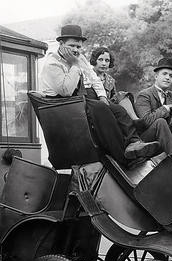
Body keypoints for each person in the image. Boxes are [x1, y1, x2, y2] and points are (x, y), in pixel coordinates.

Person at [40, 24, 160, 164]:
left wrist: (104, 98)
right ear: (61, 44)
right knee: (101, 110)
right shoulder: (52, 64)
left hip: (78, 101)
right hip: (62, 106)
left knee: (118, 109)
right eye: (72, 46)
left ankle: (134, 143)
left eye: (78, 47)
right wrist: (74, 65)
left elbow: (95, 80)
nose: (75, 50)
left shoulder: (80, 58)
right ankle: (122, 158)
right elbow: (66, 91)